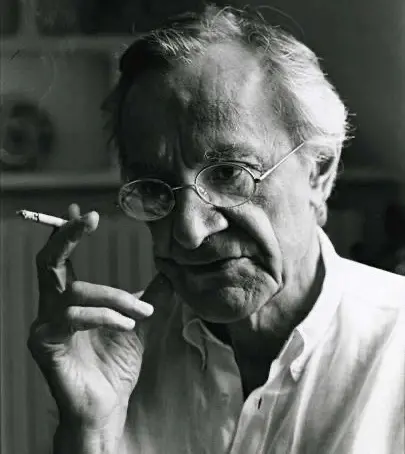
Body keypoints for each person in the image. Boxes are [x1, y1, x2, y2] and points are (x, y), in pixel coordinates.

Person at [28, 5, 405, 454]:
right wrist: (90, 432)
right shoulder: (112, 363)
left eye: (228, 174)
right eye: (154, 187)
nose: (188, 232)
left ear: (318, 172)